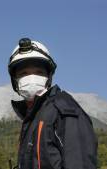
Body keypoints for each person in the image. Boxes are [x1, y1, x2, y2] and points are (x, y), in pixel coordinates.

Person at [8, 38, 98, 169]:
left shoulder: (64, 110)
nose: (32, 78)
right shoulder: (33, 116)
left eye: (39, 72)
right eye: (24, 73)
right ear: (15, 80)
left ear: (49, 76)